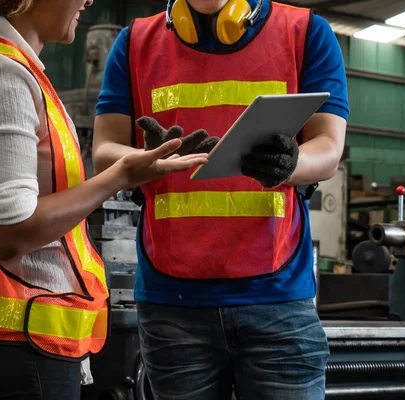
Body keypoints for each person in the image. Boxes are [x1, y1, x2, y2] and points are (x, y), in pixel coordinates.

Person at [0, 1, 208, 399]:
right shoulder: (2, 77)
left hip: (21, 345)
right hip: (16, 349)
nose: (88, 0)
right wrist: (120, 175)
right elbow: (8, 233)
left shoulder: (17, 72)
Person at [93, 0, 348, 398]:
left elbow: (329, 148)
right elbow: (104, 148)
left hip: (276, 298)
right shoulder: (135, 43)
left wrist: (290, 163)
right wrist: (144, 159)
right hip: (171, 301)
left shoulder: (305, 32)